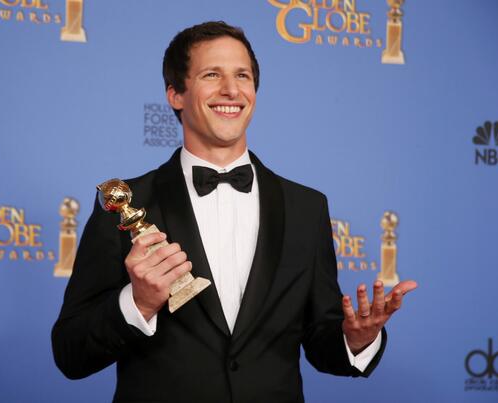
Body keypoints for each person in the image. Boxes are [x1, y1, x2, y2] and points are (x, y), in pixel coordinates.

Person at [52, 21, 417, 403]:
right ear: (175, 94)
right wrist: (138, 303)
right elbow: (70, 353)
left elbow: (321, 339)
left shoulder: (307, 207)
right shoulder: (124, 205)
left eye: (242, 75)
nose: (231, 89)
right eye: (212, 74)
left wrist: (356, 339)